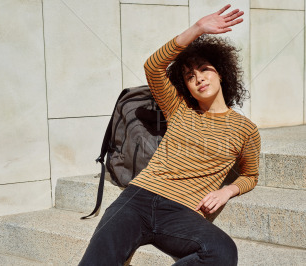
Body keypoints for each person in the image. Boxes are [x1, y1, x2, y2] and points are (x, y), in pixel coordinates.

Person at [79, 5, 261, 266]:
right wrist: (197, 28)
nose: (198, 78)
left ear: (221, 73)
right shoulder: (179, 109)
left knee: (221, 251)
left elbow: (250, 175)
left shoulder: (245, 129)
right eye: (189, 76)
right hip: (137, 198)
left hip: (181, 212)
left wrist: (227, 191)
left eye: (205, 69)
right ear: (185, 86)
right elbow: (153, 67)